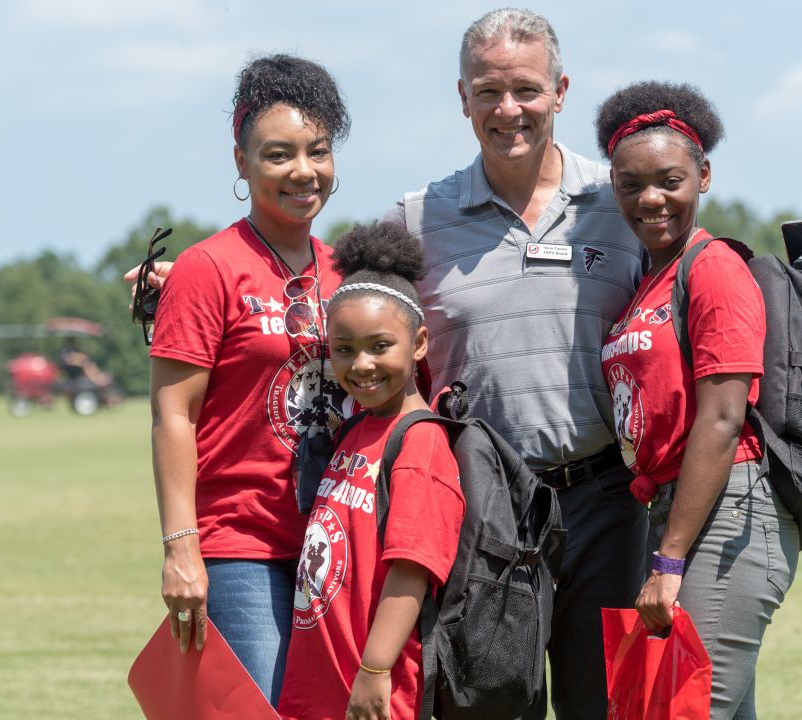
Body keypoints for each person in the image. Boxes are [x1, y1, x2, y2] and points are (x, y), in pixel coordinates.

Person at [383, 9, 647, 719]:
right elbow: (334, 307)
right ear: (462, 97)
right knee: (490, 707)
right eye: (488, 91)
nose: (509, 110)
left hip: (609, 506)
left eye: (526, 90)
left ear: (561, 91)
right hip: (483, 512)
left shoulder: (622, 198)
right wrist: (185, 284)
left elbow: (702, 279)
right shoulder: (415, 220)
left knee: (611, 709)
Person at [146, 53, 351, 706]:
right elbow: (172, 415)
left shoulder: (347, 269)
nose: (303, 172)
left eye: (317, 152)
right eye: (278, 155)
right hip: (240, 551)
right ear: (241, 162)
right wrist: (183, 549)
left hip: (335, 545)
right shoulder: (207, 268)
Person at [595, 81, 799, 719]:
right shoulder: (649, 278)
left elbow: (720, 417)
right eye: (631, 185)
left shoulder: (712, 269)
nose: (650, 198)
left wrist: (669, 557)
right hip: (681, 512)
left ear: (703, 176)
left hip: (728, 517)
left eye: (669, 179)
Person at [277, 223, 465, 720]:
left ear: (420, 343)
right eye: (344, 349)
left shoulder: (420, 440)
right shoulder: (354, 430)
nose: (361, 364)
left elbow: (413, 566)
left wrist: (376, 669)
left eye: (380, 346)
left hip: (378, 691)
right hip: (321, 681)